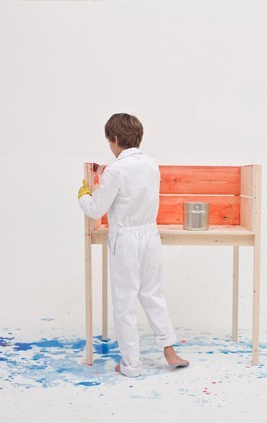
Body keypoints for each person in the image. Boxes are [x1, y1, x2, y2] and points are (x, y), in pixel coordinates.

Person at [78, 113, 189, 377]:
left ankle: (131, 364)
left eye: (109, 141)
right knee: (153, 294)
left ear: (115, 139)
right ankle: (169, 351)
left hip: (126, 240)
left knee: (124, 301)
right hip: (150, 236)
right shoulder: (151, 165)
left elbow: (96, 209)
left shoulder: (116, 170)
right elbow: (134, 189)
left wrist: (84, 195)